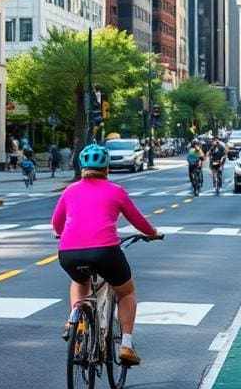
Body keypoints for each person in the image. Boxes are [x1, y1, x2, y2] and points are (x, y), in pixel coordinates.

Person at [52, 143, 161, 366]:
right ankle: (127, 345)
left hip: (68, 253)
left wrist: (60, 233)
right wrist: (153, 233)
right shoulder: (115, 191)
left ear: (81, 167)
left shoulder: (70, 191)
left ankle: (76, 321)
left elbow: (56, 223)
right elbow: (137, 220)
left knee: (78, 280)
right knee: (126, 292)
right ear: (107, 168)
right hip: (105, 251)